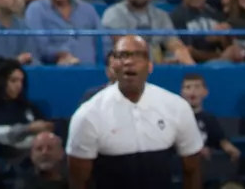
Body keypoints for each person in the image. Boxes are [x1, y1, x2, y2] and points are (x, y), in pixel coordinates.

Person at [65, 35, 204, 187]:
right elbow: (78, 180)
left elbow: (192, 169)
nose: (129, 62)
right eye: (122, 56)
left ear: (150, 66)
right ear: (113, 65)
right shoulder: (88, 114)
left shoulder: (177, 107)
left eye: (138, 55)